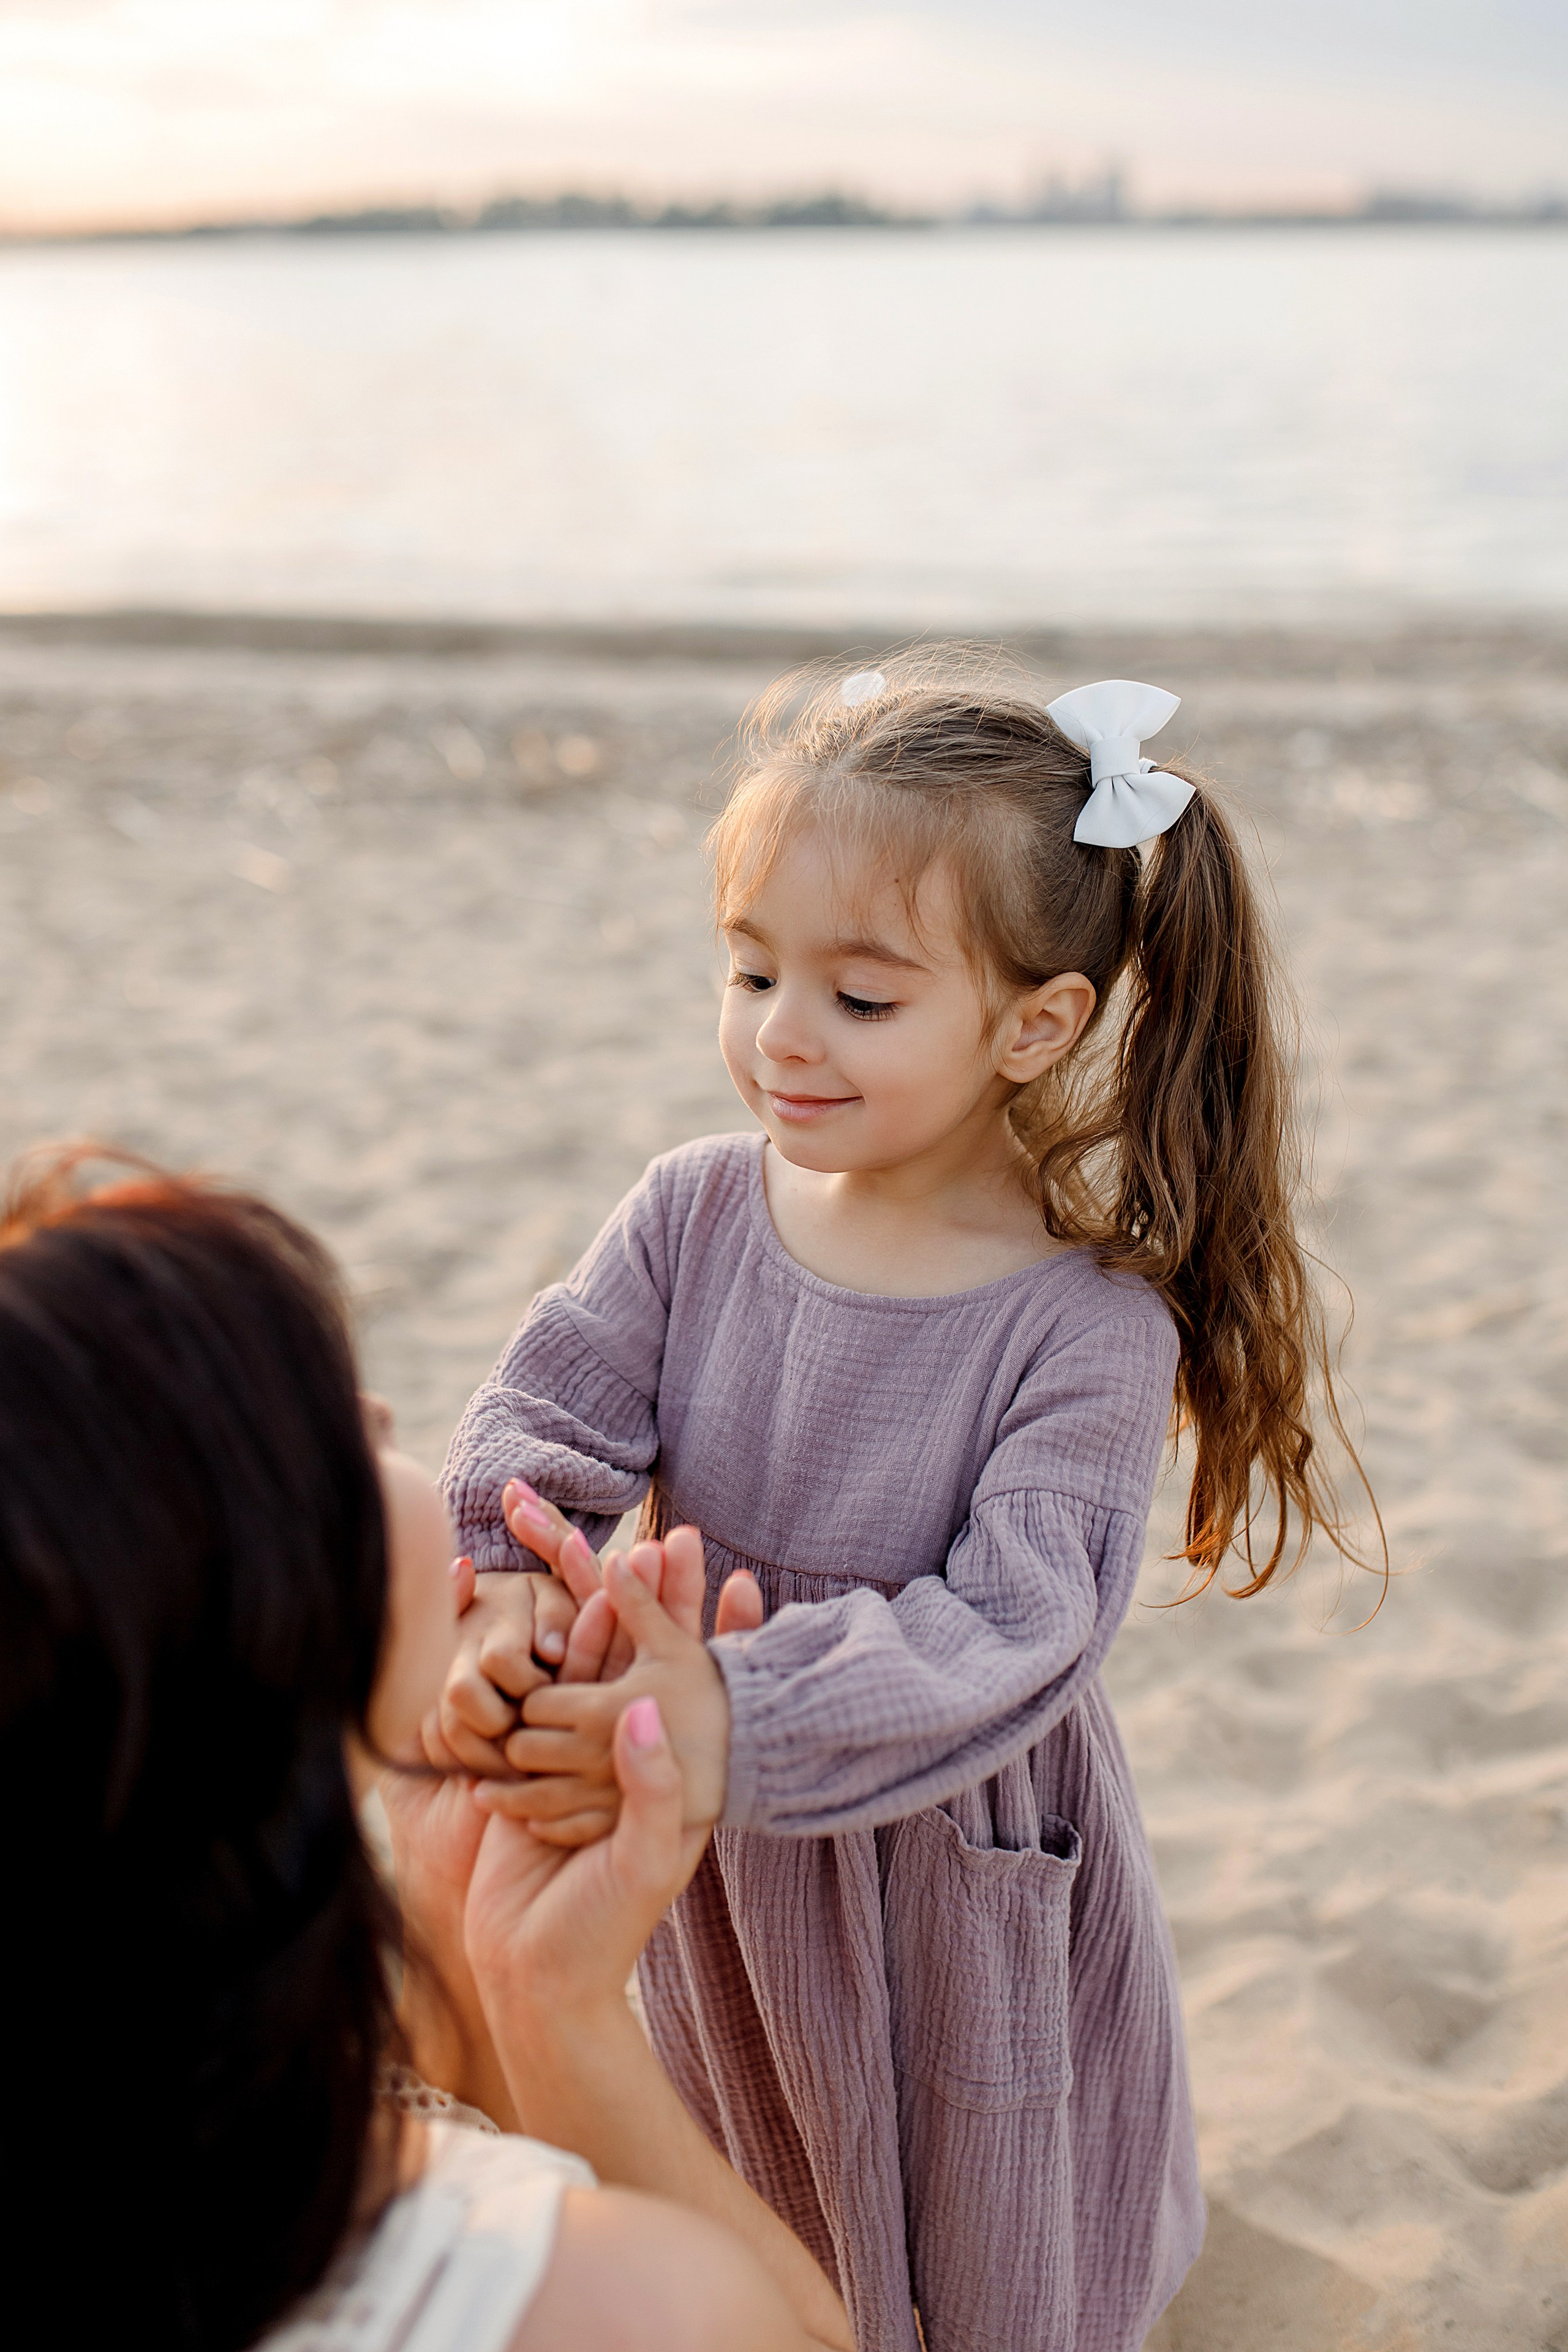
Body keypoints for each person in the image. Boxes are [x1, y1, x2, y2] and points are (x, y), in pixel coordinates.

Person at [439, 653, 1383, 2352]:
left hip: (948, 1856)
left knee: (982, 2216)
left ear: (1037, 1024)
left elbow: (1016, 1624)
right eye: (750, 972)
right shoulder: (691, 1216)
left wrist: (738, 1711)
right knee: (764, 2149)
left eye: (861, 999)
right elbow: (543, 1419)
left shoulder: (1083, 1325)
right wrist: (509, 1587)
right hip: (727, 1841)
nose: (780, 1034)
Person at [0, 1150, 850, 2352]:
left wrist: (469, 1940)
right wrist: (563, 2014)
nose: (382, 1420)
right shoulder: (618, 2308)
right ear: (252, 1605)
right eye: (333, 1433)